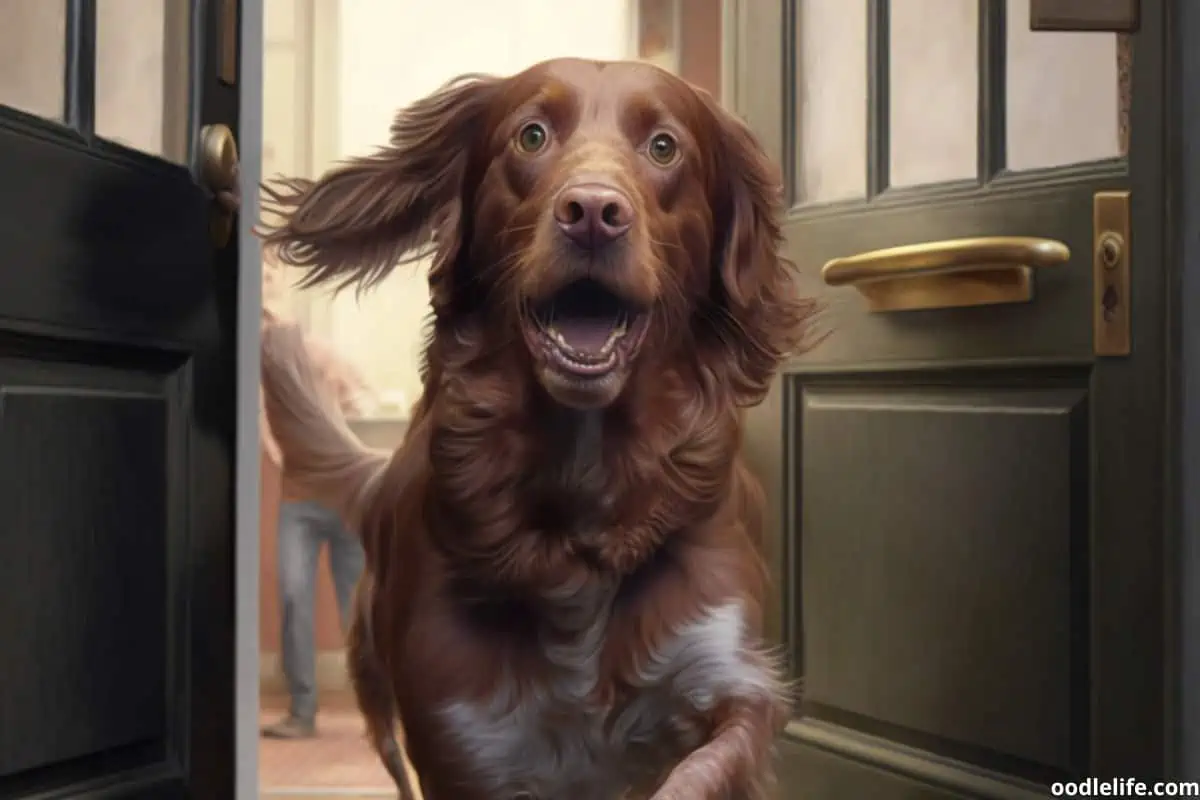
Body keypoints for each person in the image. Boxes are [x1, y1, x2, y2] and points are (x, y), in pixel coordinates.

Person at [260, 254, 375, 740]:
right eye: (258, 276)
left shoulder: (316, 349)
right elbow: (261, 423)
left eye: (270, 276)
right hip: (299, 500)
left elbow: (366, 398)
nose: (263, 285)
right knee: (293, 593)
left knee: (358, 604)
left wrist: (342, 413)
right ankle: (303, 711)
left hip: (343, 498)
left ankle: (375, 708)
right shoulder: (259, 352)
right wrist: (287, 459)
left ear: (283, 285)